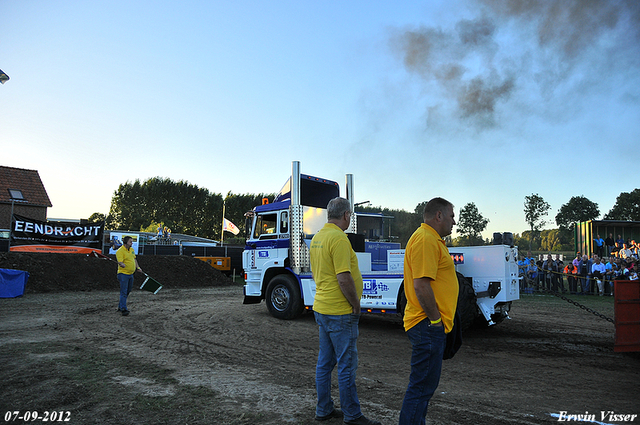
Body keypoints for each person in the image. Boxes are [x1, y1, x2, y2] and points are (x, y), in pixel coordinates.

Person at [309, 197, 381, 425]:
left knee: (324, 363)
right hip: (340, 312)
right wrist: (356, 304)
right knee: (346, 366)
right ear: (346, 215)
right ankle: (352, 415)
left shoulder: (318, 238)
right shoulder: (339, 239)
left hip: (322, 308)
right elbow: (343, 277)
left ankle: (323, 410)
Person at [399, 197, 458, 425]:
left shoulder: (431, 239)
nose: (455, 222)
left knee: (424, 387)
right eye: (452, 216)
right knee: (421, 388)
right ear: (439, 215)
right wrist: (435, 321)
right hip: (426, 325)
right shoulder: (426, 240)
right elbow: (421, 285)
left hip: (427, 325)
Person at [116, 236, 142, 316]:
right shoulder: (120, 251)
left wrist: (138, 267)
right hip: (123, 274)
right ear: (126, 242)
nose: (132, 243)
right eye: (130, 241)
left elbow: (134, 259)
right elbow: (120, 262)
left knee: (128, 290)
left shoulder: (132, 250)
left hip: (131, 274)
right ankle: (124, 309)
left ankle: (120, 306)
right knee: (124, 291)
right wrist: (121, 264)